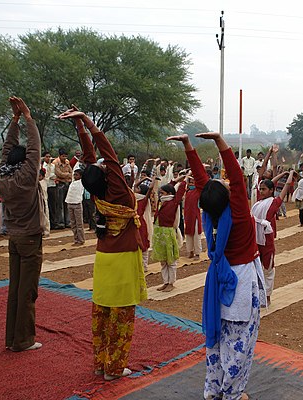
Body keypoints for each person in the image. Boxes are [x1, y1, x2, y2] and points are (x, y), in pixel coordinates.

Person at [167, 132, 266, 400]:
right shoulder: (239, 216)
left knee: (216, 342)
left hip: (217, 284)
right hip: (241, 284)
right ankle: (233, 394)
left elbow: (203, 182)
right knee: (239, 344)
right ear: (228, 197)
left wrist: (188, 145)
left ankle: (212, 390)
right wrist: (220, 141)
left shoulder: (210, 215)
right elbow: (235, 174)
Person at [59, 107, 147, 381]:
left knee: (102, 314)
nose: (102, 163)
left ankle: (100, 363)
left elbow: (91, 160)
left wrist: (80, 127)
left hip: (104, 258)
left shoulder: (98, 193)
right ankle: (115, 368)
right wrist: (85, 120)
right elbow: (106, 153)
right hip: (122, 261)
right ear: (108, 174)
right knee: (122, 317)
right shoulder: (119, 191)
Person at [0, 97, 45, 351]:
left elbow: (7, 150)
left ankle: (11, 338)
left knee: (15, 289)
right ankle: (23, 340)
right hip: (29, 238)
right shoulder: (26, 178)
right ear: (24, 161)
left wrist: (15, 121)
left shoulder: (1, 177)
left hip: (14, 237)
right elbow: (34, 149)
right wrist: (27, 117)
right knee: (27, 292)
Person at [251, 169, 294, 305]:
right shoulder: (259, 201)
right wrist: (282, 174)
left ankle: (267, 296)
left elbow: (285, 187)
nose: (261, 191)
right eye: (261, 189)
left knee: (268, 268)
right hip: (255, 238)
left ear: (270, 191)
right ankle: (256, 294)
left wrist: (290, 175)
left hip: (266, 239)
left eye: (264, 189)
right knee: (255, 268)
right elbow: (271, 183)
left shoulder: (273, 203)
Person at [153, 173, 187, 292]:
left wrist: (186, 177)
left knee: (171, 260)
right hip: (159, 232)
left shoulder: (174, 202)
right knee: (163, 260)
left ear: (168, 193)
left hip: (168, 232)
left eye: (162, 193)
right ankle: (165, 282)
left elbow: (180, 189)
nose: (160, 194)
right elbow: (171, 185)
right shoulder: (162, 201)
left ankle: (171, 283)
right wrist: (178, 179)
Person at [184, 175, 203, 260]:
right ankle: (190, 251)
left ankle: (197, 253)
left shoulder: (198, 191)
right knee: (188, 234)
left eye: (193, 182)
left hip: (195, 215)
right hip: (188, 216)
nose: (191, 184)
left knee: (196, 234)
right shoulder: (187, 192)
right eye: (190, 182)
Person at [52, 148, 73, 229]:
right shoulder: (55, 163)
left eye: (66, 156)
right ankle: (60, 222)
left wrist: (66, 175)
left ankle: (67, 221)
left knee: (67, 203)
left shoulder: (67, 162)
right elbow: (58, 173)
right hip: (59, 184)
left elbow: (71, 172)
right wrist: (67, 175)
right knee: (59, 204)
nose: (65, 158)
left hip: (67, 183)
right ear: (60, 156)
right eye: (63, 156)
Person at [65, 168, 86, 246]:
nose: (74, 176)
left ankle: (81, 239)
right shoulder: (73, 182)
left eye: (76, 175)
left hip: (77, 203)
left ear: (81, 176)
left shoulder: (82, 182)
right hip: (69, 202)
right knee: (73, 223)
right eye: (74, 174)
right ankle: (76, 239)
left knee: (79, 223)